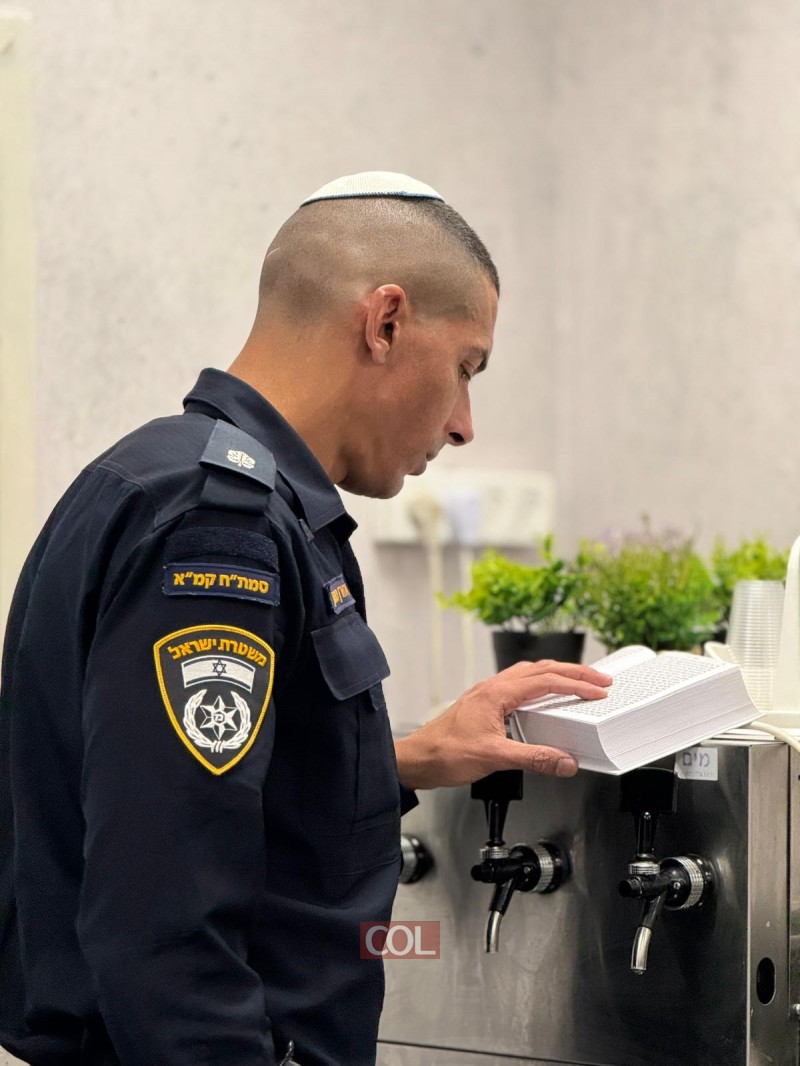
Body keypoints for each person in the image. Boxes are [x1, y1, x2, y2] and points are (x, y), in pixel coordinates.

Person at [0, 172, 611, 1066]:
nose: (464, 425)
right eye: (466, 368)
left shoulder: (187, 485)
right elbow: (166, 922)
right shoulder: (218, 530)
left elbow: (205, 792)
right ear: (386, 323)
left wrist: (413, 756)